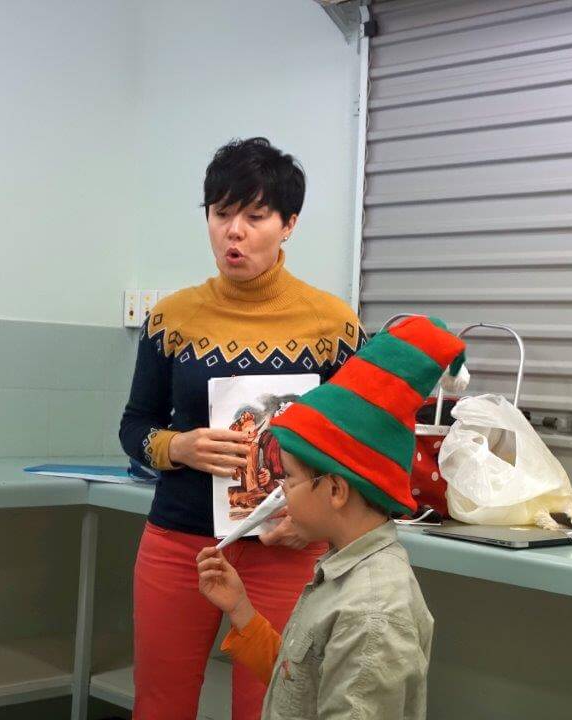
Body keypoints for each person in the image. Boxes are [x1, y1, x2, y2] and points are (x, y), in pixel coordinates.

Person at [119, 137, 366, 719]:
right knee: (160, 701)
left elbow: (354, 450)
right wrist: (178, 446)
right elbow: (135, 427)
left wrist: (313, 524)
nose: (234, 231)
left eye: (255, 216)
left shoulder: (332, 325)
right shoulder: (172, 318)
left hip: (286, 545)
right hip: (180, 542)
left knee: (272, 703)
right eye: (221, 213)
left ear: (289, 224)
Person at [198, 315, 466, 719]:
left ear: (336, 490)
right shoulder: (342, 569)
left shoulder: (371, 614)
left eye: (289, 478)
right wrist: (240, 609)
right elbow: (298, 686)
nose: (281, 491)